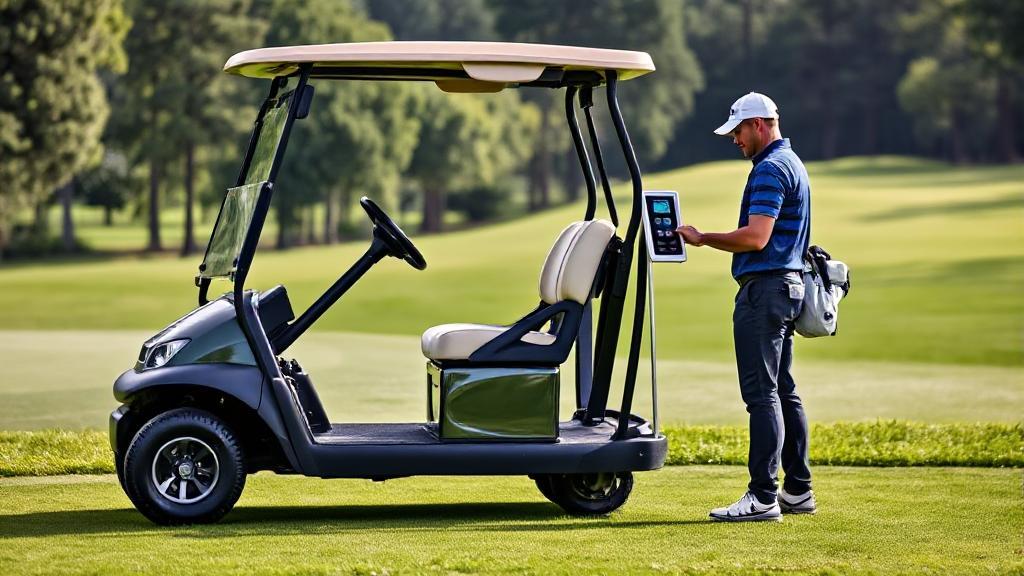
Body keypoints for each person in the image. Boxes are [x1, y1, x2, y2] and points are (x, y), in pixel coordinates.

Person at [677, 92, 816, 522]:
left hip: (766, 291)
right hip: (787, 289)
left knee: (761, 395)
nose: (735, 139)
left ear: (758, 124)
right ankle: (797, 490)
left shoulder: (770, 169)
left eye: (738, 130)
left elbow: (756, 238)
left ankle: (762, 496)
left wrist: (703, 239)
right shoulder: (792, 163)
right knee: (783, 390)